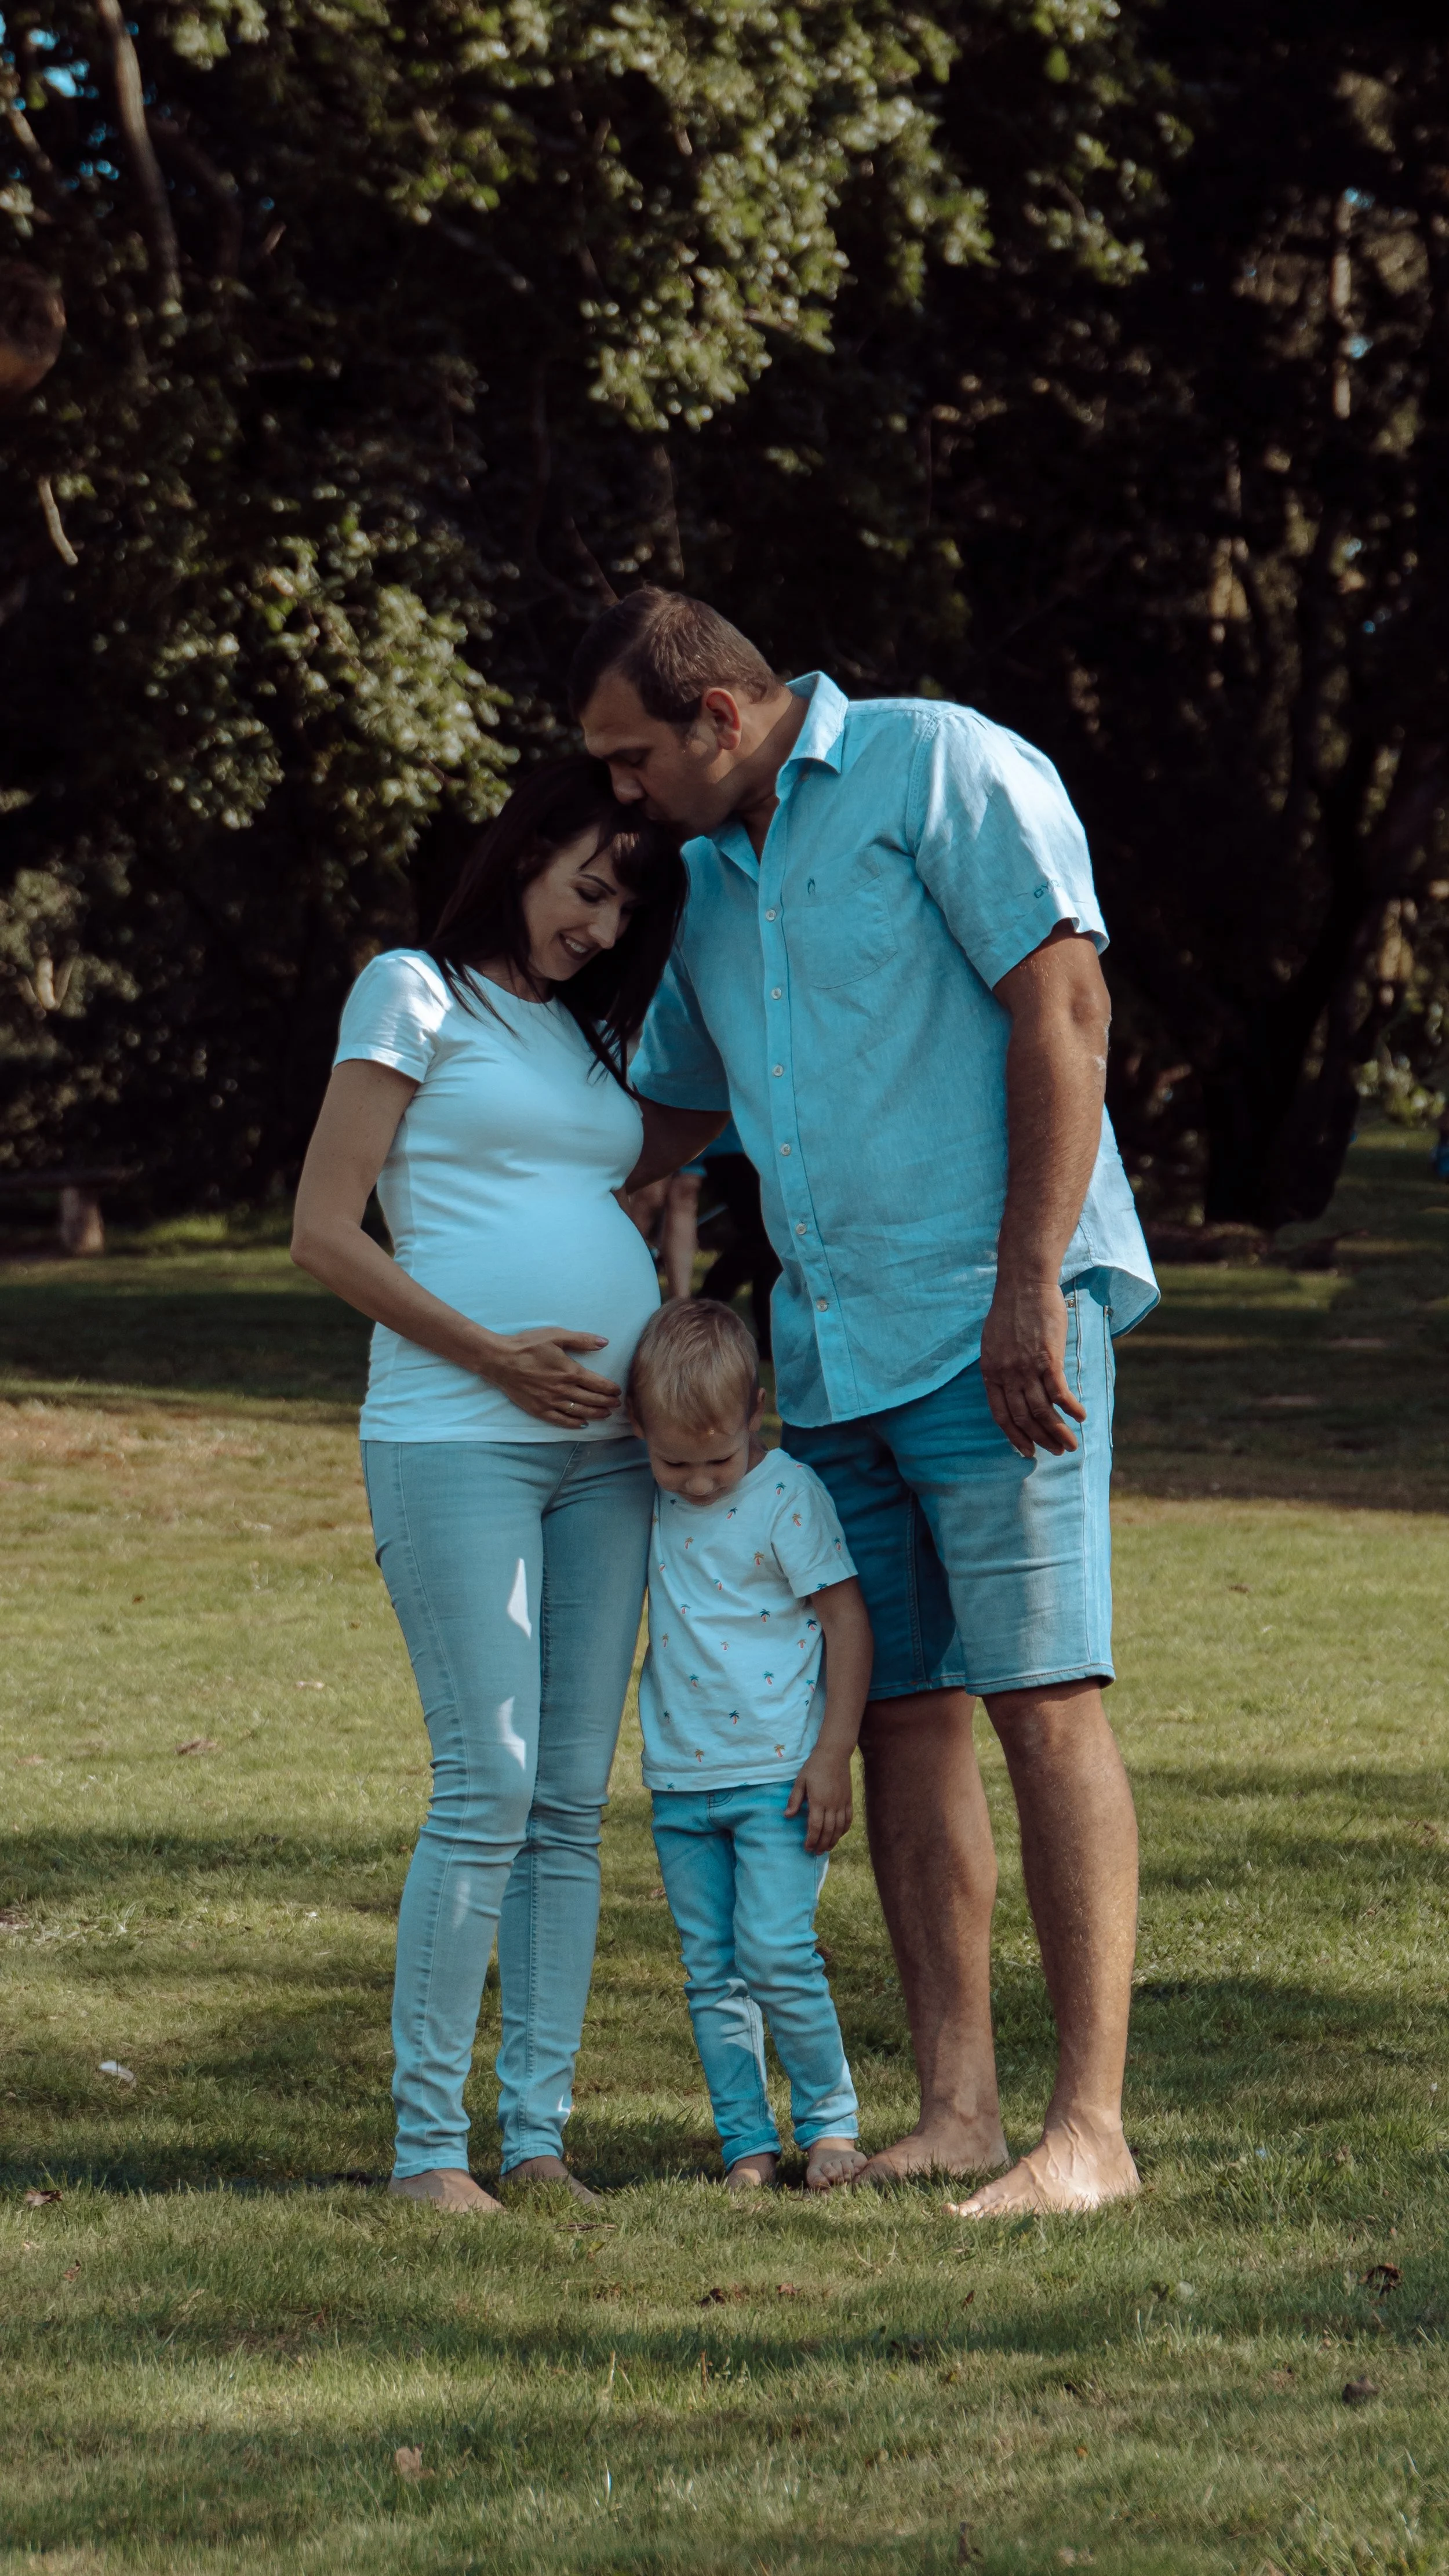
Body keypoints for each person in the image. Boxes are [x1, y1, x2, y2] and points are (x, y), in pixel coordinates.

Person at [573, 588, 1159, 2218]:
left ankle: (1088, 2129)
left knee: (1044, 1698)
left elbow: (1063, 1004)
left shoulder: (941, 768)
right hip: (829, 1357)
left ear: (713, 715)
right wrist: (489, 1172)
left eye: (629, 758)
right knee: (904, 1717)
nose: (618, 795)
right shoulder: (700, 884)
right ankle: (959, 2109)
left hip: (998, 1325)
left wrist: (1028, 1282)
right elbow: (679, 1104)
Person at [291, 758, 685, 2214]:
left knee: (572, 1800)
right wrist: (496, 1357)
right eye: (586, 885)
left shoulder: (584, 1034)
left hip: (611, 1455)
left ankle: (536, 2137)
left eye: (623, 907)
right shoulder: (414, 988)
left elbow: (652, 1149)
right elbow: (325, 1233)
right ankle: (422, 2151)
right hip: (454, 1434)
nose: (597, 923)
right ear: (523, 850)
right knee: (491, 1782)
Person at [627, 1298, 874, 2192]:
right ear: (641, 1434)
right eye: (673, 1462)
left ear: (756, 1413)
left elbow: (847, 1621)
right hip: (681, 1784)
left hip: (782, 1777)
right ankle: (747, 2146)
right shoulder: (643, 1497)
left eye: (718, 1458)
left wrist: (833, 1752)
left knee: (774, 1951)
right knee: (711, 1972)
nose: (696, 1483)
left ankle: (831, 2126)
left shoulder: (787, 1496)